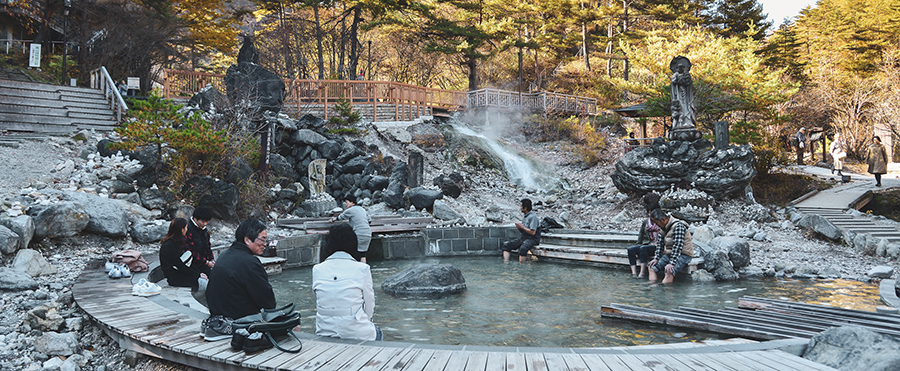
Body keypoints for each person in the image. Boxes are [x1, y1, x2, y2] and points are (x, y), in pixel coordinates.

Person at [203, 219, 276, 339]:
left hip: (217, 320)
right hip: (237, 322)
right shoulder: (250, 262)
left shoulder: (224, 255)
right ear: (247, 240)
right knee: (293, 323)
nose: (265, 244)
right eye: (262, 239)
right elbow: (268, 302)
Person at [312, 224, 382, 341]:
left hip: (324, 331)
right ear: (353, 244)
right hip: (356, 332)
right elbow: (369, 305)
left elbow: (318, 299)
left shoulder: (317, 269)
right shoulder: (362, 269)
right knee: (377, 332)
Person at [159, 218, 208, 294]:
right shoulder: (169, 246)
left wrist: (199, 273)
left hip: (182, 272)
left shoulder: (179, 242)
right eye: (185, 227)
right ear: (181, 229)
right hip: (175, 277)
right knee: (203, 283)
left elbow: (187, 263)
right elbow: (180, 265)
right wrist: (198, 275)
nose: (186, 229)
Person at [647, 209, 694, 284]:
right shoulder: (662, 227)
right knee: (651, 267)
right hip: (669, 254)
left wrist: (671, 263)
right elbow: (660, 244)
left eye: (656, 222)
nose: (656, 225)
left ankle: (667, 292)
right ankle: (653, 290)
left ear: (663, 219)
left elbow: (678, 246)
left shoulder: (678, 226)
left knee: (669, 271)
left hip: (683, 254)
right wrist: (656, 258)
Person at [330, 195, 372, 263]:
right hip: (368, 233)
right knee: (363, 254)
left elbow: (341, 217)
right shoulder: (362, 209)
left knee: (352, 252)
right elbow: (369, 220)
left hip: (359, 233)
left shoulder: (351, 210)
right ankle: (364, 269)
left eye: (346, 202)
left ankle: (352, 268)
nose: (345, 204)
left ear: (352, 202)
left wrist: (332, 220)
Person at [501, 198, 540, 263]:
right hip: (524, 238)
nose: (520, 208)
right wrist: (519, 228)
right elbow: (523, 232)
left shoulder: (533, 217)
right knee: (507, 246)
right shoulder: (525, 216)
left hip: (533, 239)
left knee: (523, 249)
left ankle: (521, 266)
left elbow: (533, 233)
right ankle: (506, 262)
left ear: (526, 208)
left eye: (521, 206)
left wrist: (522, 227)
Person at [626, 205, 660, 278]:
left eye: (652, 213)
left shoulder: (660, 222)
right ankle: (634, 273)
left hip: (656, 246)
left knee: (643, 248)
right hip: (646, 244)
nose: (650, 215)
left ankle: (642, 273)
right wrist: (638, 245)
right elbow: (641, 235)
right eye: (649, 213)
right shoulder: (645, 222)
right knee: (631, 249)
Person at [185, 206, 214, 275]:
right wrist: (206, 262)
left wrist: (212, 259)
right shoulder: (188, 229)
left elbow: (208, 247)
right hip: (192, 266)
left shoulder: (204, 230)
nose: (205, 224)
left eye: (207, 221)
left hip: (204, 263)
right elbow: (190, 252)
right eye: (203, 221)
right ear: (195, 218)